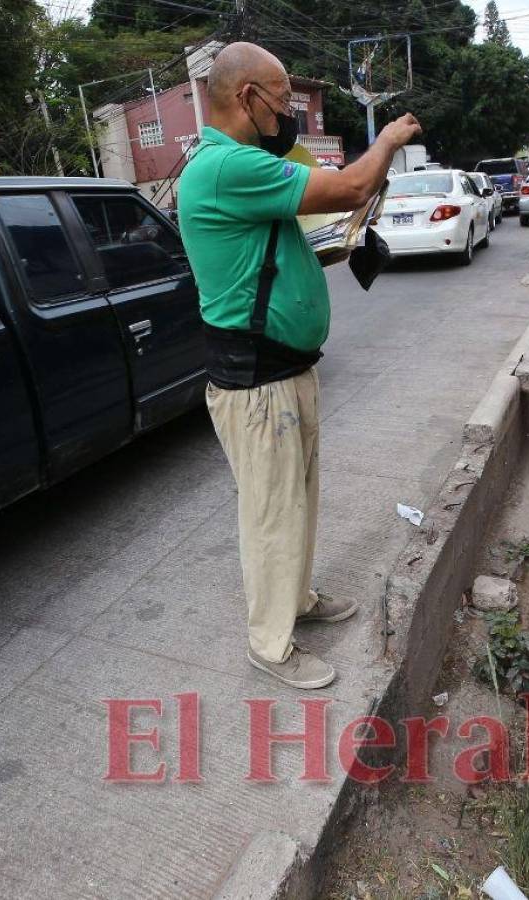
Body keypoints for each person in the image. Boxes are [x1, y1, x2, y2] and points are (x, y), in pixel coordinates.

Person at [177, 42, 421, 690]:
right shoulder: (225, 167)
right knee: (271, 516)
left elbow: (289, 245)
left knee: (298, 504)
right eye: (283, 102)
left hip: (286, 371)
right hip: (257, 383)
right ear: (247, 98)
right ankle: (270, 643)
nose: (290, 115)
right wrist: (390, 138)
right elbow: (352, 183)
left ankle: (298, 599)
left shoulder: (248, 163)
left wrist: (341, 246)